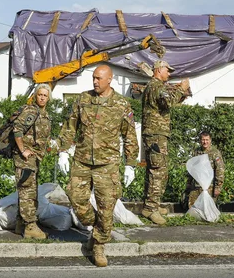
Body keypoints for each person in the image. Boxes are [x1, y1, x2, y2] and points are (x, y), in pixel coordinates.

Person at [56, 65, 139, 267]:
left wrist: (131, 164)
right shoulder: (83, 99)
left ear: (109, 79)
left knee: (106, 207)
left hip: (107, 164)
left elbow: (130, 136)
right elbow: (70, 126)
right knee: (76, 198)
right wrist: (63, 151)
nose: (95, 81)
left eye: (99, 78)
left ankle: (99, 245)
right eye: (93, 78)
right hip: (82, 159)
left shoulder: (121, 104)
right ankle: (95, 226)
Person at [141, 60, 190, 225]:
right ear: (159, 70)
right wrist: (181, 89)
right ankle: (151, 209)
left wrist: (181, 94)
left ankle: (151, 205)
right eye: (167, 71)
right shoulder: (156, 86)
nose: (169, 74)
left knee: (155, 170)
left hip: (155, 134)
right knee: (157, 171)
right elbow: (167, 102)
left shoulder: (155, 87)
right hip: (155, 135)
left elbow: (167, 103)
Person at [12, 84, 52, 239]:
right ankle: (30, 226)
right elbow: (17, 129)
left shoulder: (45, 114)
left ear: (48, 98)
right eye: (40, 94)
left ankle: (20, 224)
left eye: (45, 95)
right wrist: (22, 150)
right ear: (35, 95)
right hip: (25, 158)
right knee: (27, 191)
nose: (42, 98)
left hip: (34, 158)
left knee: (29, 190)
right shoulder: (31, 111)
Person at [184, 131, 225, 209]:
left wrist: (218, 187)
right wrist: (188, 183)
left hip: (210, 186)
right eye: (203, 140)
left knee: (208, 209)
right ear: (200, 141)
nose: (205, 142)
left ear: (210, 140)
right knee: (192, 208)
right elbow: (192, 169)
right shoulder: (196, 152)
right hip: (196, 186)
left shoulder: (215, 153)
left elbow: (220, 170)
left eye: (207, 140)